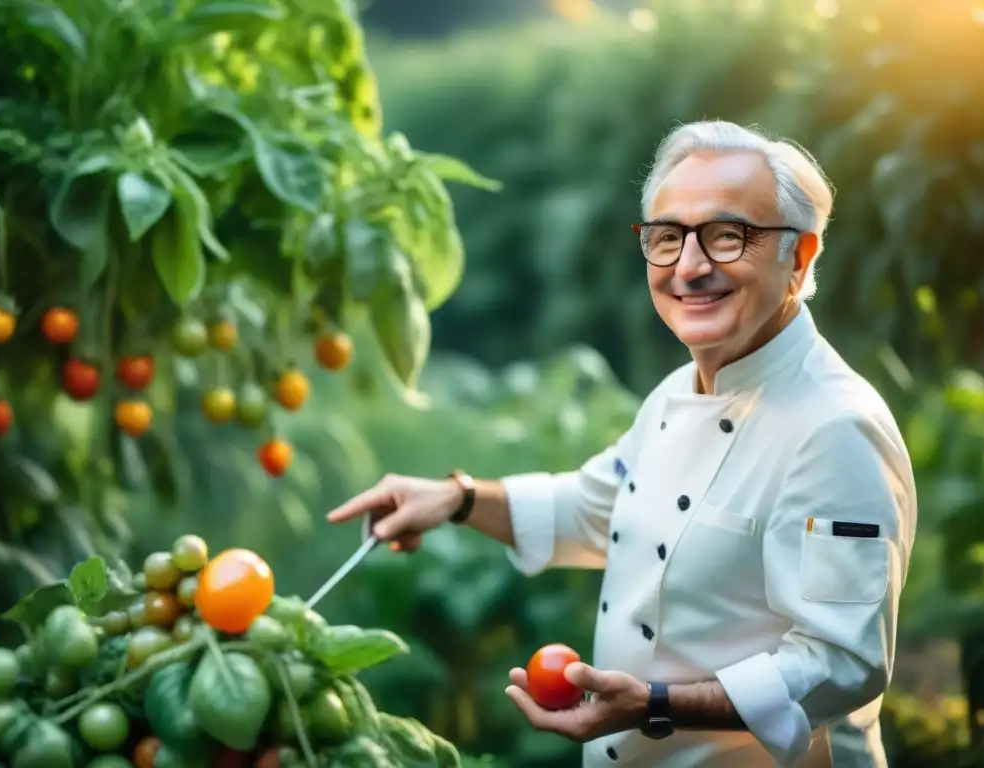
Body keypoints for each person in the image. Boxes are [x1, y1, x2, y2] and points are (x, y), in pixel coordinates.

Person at [327, 120, 917, 767]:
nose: (691, 267)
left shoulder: (835, 428)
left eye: (727, 236)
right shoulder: (674, 394)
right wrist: (457, 498)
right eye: (667, 238)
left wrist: (655, 703)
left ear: (799, 258)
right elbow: (597, 506)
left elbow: (844, 662)